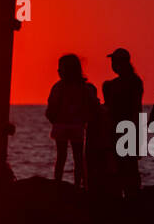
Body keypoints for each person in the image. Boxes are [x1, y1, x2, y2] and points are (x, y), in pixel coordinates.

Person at [45, 55, 93, 187]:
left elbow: (50, 108)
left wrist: (54, 120)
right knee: (76, 157)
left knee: (63, 156)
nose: (59, 71)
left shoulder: (59, 87)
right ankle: (79, 184)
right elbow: (89, 107)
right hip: (74, 125)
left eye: (61, 68)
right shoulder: (82, 87)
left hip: (64, 125)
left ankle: (59, 183)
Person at [102, 48, 144, 198]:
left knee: (127, 166)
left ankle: (129, 197)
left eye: (114, 61)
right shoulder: (127, 82)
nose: (112, 64)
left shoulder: (131, 82)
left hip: (125, 129)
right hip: (118, 129)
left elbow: (134, 108)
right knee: (120, 165)